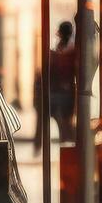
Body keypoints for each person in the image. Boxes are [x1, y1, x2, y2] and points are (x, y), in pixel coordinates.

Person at [33, 21, 77, 154]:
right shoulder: (67, 51)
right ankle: (42, 146)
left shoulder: (65, 53)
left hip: (59, 93)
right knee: (63, 127)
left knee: (62, 126)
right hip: (62, 93)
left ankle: (64, 153)